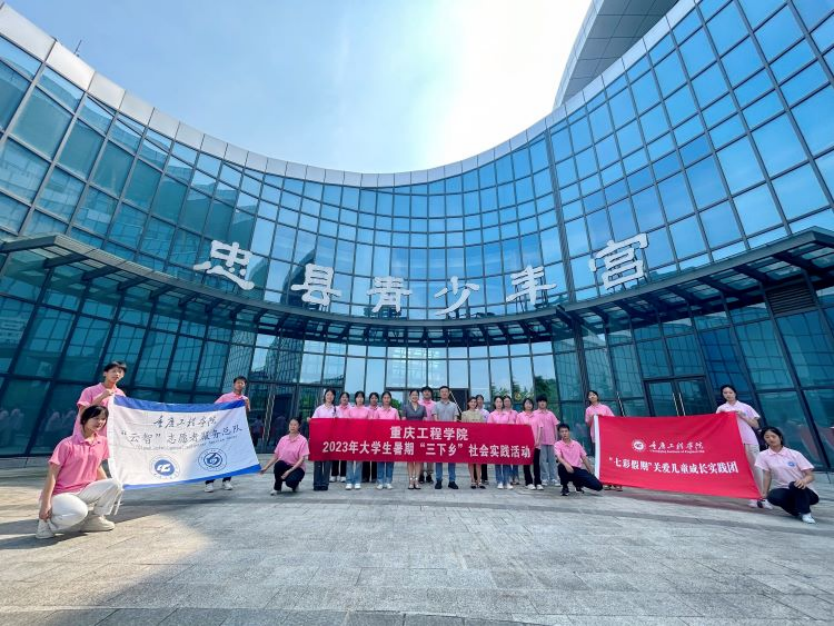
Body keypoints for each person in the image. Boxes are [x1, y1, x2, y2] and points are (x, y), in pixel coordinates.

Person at [36, 406, 123, 539]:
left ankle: (94, 520)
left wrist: (109, 490)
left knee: (115, 484)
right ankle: (46, 524)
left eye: (103, 419)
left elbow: (97, 466)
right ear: (84, 420)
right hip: (62, 493)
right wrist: (45, 504)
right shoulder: (67, 444)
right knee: (79, 513)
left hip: (84, 489)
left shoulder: (102, 442)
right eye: (96, 418)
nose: (100, 422)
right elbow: (52, 475)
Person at [717, 384, 770, 509]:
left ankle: (764, 498)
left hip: (748, 440)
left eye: (730, 392)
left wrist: (743, 416)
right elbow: (718, 426)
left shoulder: (745, 407)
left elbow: (755, 425)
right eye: (725, 393)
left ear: (735, 393)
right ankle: (752, 497)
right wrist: (721, 416)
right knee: (744, 470)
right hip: (733, 442)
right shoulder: (721, 408)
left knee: (757, 469)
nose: (728, 394)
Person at [756, 426, 818, 524]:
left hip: (806, 492)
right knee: (773, 495)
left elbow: (810, 476)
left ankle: (806, 513)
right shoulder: (763, 455)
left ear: (780, 437)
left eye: (773, 436)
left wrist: (803, 481)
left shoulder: (795, 454)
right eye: (767, 437)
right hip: (786, 491)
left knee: (794, 484)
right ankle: (796, 512)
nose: (771, 439)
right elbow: (767, 475)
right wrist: (764, 493)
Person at [205, 376, 251, 493]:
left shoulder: (245, 399)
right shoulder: (225, 397)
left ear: (244, 385)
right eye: (238, 382)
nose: (240, 385)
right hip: (222, 431)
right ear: (234, 384)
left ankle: (226, 481)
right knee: (216, 454)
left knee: (231, 456)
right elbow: (214, 408)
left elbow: (245, 414)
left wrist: (245, 404)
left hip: (234, 431)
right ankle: (209, 482)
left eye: (242, 383)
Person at [75, 361, 128, 436]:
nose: (117, 374)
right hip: (85, 436)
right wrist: (102, 397)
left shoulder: (121, 394)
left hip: (107, 437)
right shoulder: (89, 390)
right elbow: (83, 412)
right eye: (113, 371)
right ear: (105, 373)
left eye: (120, 372)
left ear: (123, 375)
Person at [260, 417, 308, 494]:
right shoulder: (283, 439)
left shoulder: (303, 440)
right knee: (279, 464)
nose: (292, 426)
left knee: (290, 482)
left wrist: (289, 471)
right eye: (291, 424)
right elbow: (275, 456)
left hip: (297, 468)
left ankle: (295, 485)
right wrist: (266, 467)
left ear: (299, 426)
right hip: (284, 466)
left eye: (295, 425)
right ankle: (277, 488)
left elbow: (301, 460)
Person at [585, 390, 620, 491]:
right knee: (601, 459)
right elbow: (588, 423)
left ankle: (615, 481)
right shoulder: (588, 410)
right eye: (590, 395)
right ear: (588, 398)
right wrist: (592, 417)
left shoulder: (605, 408)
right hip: (596, 436)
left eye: (593, 395)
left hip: (607, 436)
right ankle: (605, 481)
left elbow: (613, 420)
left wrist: (603, 417)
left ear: (597, 396)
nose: (592, 396)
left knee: (611, 459)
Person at [555, 424, 603, 496]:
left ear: (569, 432)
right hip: (566, 469)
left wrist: (591, 473)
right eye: (562, 432)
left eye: (566, 431)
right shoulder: (558, 444)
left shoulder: (576, 444)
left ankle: (578, 485)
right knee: (561, 467)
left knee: (598, 486)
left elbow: (584, 458)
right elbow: (559, 457)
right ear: (559, 433)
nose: (564, 433)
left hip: (577, 470)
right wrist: (566, 465)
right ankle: (565, 487)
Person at [432, 385, 461, 489]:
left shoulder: (453, 405)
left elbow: (455, 419)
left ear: (449, 393)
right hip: (439, 435)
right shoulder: (436, 405)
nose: (444, 393)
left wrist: (450, 429)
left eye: (446, 391)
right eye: (442, 391)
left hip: (450, 435)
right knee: (439, 458)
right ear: (440, 393)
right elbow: (435, 418)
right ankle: (438, 480)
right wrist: (442, 428)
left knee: (452, 458)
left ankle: (452, 481)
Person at [310, 388, 338, 491]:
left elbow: (338, 424)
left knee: (327, 462)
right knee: (318, 461)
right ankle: (317, 483)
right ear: (325, 396)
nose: (329, 396)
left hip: (330, 439)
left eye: (331, 395)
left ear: (334, 397)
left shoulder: (336, 409)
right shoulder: (319, 409)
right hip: (319, 439)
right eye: (328, 394)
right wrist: (310, 421)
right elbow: (314, 422)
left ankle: (325, 483)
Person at [345, 391, 372, 490]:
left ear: (363, 399)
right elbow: (346, 423)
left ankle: (357, 481)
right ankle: (349, 481)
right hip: (351, 438)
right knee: (349, 461)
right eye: (358, 397)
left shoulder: (367, 410)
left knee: (359, 461)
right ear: (355, 399)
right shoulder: (350, 410)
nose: (359, 399)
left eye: (361, 397)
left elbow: (371, 424)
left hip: (362, 438)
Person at [403, 389, 427, 490]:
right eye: (413, 395)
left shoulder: (423, 408)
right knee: (410, 459)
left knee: (418, 459)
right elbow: (403, 421)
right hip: (409, 436)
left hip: (420, 436)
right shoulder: (405, 407)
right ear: (409, 397)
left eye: (416, 395)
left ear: (418, 397)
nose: (414, 396)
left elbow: (425, 421)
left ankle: (416, 480)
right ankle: (410, 480)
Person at [516, 398, 543, 490]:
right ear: (524, 405)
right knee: (526, 463)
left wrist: (538, 440)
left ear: (532, 405)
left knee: (536, 463)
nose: (528, 405)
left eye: (530, 403)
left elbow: (540, 428)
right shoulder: (520, 416)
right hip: (525, 444)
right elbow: (517, 429)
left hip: (536, 443)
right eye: (526, 403)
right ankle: (528, 482)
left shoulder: (537, 416)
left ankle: (538, 482)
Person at [374, 391, 399, 489]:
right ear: (382, 399)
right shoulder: (378, 411)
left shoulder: (394, 411)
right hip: (380, 439)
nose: (386, 399)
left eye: (388, 398)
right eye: (385, 398)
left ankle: (388, 481)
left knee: (390, 461)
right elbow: (375, 425)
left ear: (390, 399)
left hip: (391, 439)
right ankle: (380, 481)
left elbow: (398, 424)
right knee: (380, 461)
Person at [461, 396, 486, 489]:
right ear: (468, 403)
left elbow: (483, 427)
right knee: (471, 461)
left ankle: (479, 480)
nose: (473, 403)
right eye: (471, 402)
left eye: (475, 402)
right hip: (469, 440)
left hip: (478, 440)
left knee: (478, 461)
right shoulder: (464, 413)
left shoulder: (480, 414)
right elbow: (463, 427)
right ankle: (472, 480)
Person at [488, 397, 513, 489]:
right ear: (494, 403)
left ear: (502, 403)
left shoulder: (507, 414)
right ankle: (499, 481)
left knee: (506, 461)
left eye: (500, 402)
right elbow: (489, 428)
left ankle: (507, 481)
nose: (499, 403)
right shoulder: (491, 415)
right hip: (496, 440)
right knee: (498, 462)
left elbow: (511, 426)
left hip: (506, 439)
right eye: (497, 402)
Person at [535, 395, 560, 487]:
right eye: (540, 401)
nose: (542, 403)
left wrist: (556, 439)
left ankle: (554, 478)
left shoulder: (551, 414)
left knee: (552, 460)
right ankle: (544, 478)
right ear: (538, 403)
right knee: (542, 461)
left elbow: (555, 426)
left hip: (551, 440)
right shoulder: (534, 414)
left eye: (544, 401)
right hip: (540, 441)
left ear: (546, 403)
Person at [331, 391, 351, 483]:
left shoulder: (351, 409)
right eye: (343, 397)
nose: (344, 398)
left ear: (348, 399)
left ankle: (343, 475)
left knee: (344, 455)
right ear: (340, 399)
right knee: (335, 454)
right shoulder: (335, 408)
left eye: (346, 397)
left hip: (347, 434)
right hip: (336, 434)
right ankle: (334, 474)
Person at [418, 386, 436, 484]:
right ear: (422, 393)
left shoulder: (435, 404)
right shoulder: (418, 403)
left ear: (431, 393)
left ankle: (429, 475)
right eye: (425, 391)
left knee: (430, 454)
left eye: (429, 391)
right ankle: (420, 474)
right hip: (420, 432)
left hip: (431, 432)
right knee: (420, 454)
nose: (427, 393)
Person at [502, 395, 520, 486]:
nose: (507, 403)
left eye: (508, 401)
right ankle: (509, 476)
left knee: (515, 457)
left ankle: (516, 476)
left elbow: (519, 424)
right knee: (507, 456)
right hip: (505, 437)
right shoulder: (501, 412)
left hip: (514, 437)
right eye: (505, 401)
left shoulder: (515, 412)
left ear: (511, 402)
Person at [362, 392, 380, 484]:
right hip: (366, 435)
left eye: (375, 398)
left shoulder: (380, 410)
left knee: (375, 455)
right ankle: (365, 476)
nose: (374, 399)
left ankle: (374, 477)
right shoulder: (365, 409)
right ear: (369, 399)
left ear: (378, 399)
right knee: (365, 454)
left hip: (377, 435)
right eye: (372, 398)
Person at [476, 394, 490, 485]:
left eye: (481, 399)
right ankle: (476, 477)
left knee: (484, 457)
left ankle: (484, 477)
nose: (480, 401)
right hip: (475, 437)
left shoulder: (486, 412)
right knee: (475, 457)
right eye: (478, 399)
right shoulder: (473, 411)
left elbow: (489, 425)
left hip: (484, 436)